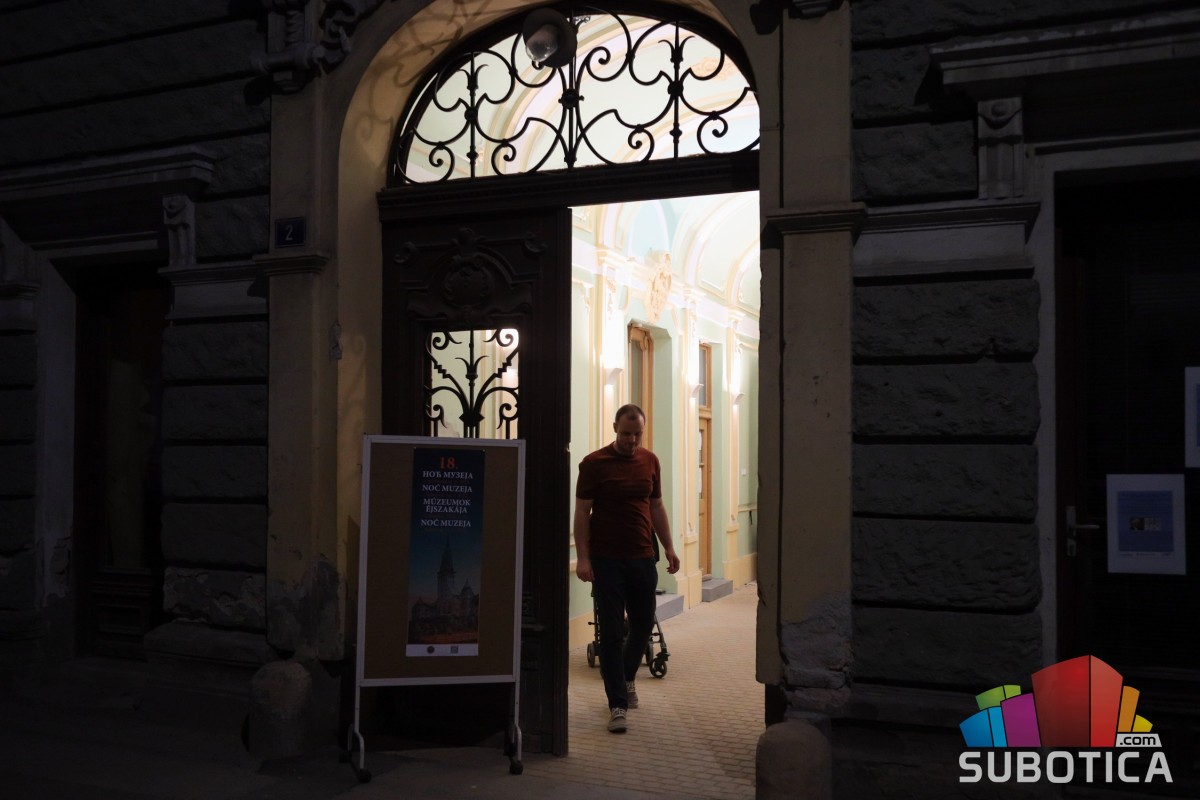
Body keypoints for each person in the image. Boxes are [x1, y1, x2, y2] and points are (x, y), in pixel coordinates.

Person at [573, 403, 680, 733]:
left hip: (643, 556)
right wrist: (583, 558)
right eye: (625, 434)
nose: (632, 440)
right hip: (606, 559)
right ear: (614, 428)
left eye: (637, 434)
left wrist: (669, 546)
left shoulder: (650, 461)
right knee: (610, 631)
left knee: (643, 623)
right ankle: (617, 704)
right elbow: (582, 513)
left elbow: (656, 505)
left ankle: (627, 676)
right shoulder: (594, 464)